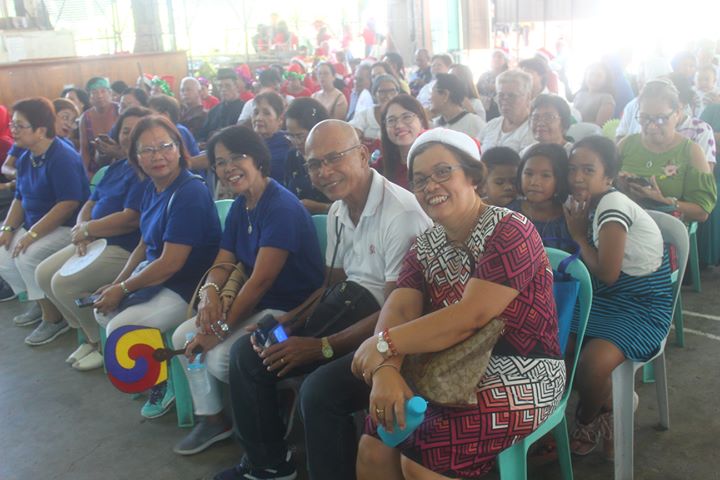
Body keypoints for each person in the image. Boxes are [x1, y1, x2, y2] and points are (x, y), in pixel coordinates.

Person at [214, 120, 432, 480]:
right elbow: (333, 283)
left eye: (334, 158)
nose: (324, 172)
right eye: (314, 163)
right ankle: (268, 464)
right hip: (337, 316)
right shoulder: (337, 210)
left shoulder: (402, 214)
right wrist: (291, 322)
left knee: (320, 390)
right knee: (251, 351)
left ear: (362, 155)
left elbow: (398, 315)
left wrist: (322, 348)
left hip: (387, 339)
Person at [352, 128, 565, 479]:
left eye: (442, 172)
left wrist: (382, 347)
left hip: (522, 372)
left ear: (472, 176)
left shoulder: (511, 229)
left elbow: (471, 316)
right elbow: (399, 309)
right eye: (420, 180)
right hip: (447, 364)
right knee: (374, 444)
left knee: (422, 457)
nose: (430, 186)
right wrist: (385, 369)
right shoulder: (425, 245)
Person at [171, 125, 324, 455]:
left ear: (257, 158)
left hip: (293, 314)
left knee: (223, 359)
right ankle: (213, 419)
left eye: (237, 157)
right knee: (184, 337)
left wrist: (220, 330)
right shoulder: (242, 205)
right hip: (259, 304)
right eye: (220, 162)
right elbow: (224, 260)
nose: (228, 168)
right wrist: (209, 294)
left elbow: (261, 281)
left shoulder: (279, 206)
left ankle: (277, 393)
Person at [93, 116, 221, 418]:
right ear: (136, 157)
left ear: (179, 148)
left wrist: (123, 289)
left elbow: (171, 263)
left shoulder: (189, 191)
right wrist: (117, 283)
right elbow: (143, 243)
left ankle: (164, 385)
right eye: (147, 150)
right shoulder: (152, 187)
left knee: (120, 328)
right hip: (160, 276)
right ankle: (164, 377)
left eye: (165, 146)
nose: (158, 156)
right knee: (103, 308)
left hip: (188, 285)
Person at [563, 135, 672, 456]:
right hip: (606, 298)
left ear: (607, 177)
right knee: (556, 345)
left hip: (641, 304)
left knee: (592, 363)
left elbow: (608, 274)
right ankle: (611, 408)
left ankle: (586, 416)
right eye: (571, 169)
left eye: (587, 169)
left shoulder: (612, 205)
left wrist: (579, 235)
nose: (577, 177)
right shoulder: (590, 203)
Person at [34, 107, 152, 369]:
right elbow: (90, 202)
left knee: (64, 284)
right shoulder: (117, 166)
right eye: (124, 130)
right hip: (95, 238)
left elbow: (130, 219)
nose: (129, 136)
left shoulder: (143, 171)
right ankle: (88, 334)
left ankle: (99, 343)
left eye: (136, 131)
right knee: (43, 273)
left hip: (122, 246)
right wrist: (81, 229)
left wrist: (89, 230)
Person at [0, 98, 89, 340]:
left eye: (20, 126)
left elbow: (67, 204)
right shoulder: (27, 157)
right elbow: (19, 198)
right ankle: (41, 306)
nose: (14, 131)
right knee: (3, 255)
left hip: (66, 227)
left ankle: (54, 318)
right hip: (37, 224)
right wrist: (8, 228)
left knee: (27, 256)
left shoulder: (62, 157)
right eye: (13, 125)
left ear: (40, 130)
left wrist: (32, 235)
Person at [617, 80, 716, 222]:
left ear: (677, 114)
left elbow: (702, 212)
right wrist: (619, 183)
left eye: (661, 119)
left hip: (669, 234)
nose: (651, 126)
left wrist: (665, 202)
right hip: (623, 224)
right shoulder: (627, 144)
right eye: (644, 118)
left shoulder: (692, 152)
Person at [508, 143, 572, 249]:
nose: (534, 182)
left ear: (559, 179)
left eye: (545, 175)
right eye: (528, 173)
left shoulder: (570, 221)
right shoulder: (508, 214)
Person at [284, 97, 332, 213]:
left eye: (300, 136)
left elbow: (353, 206)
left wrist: (322, 208)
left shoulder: (334, 158)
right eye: (290, 136)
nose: (296, 142)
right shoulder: (293, 156)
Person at [377, 94, 429, 189]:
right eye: (391, 120)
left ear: (421, 120)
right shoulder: (383, 164)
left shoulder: (437, 155)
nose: (399, 125)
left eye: (406, 117)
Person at [479, 70, 535, 152]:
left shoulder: (533, 131)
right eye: (501, 95)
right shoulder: (492, 125)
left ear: (528, 97)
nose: (505, 100)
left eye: (512, 96)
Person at [78, 77, 120, 176]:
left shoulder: (120, 110)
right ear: (90, 97)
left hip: (121, 164)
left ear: (110, 93)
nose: (99, 96)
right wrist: (87, 173)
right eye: (94, 92)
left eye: (103, 91)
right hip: (97, 169)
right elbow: (84, 149)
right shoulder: (85, 118)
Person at [430, 73, 486, 140]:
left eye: (432, 92)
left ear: (445, 95)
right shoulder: (435, 124)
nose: (429, 98)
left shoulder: (475, 123)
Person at [250, 92, 291, 183]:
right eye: (256, 112)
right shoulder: (247, 144)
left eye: (266, 113)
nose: (259, 118)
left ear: (280, 119)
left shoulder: (288, 144)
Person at [197, 69, 246, 142]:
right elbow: (202, 135)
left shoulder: (244, 109)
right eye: (220, 86)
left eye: (227, 86)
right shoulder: (214, 111)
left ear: (236, 87)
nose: (223, 89)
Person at [349, 74, 400, 142]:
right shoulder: (365, 115)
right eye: (382, 92)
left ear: (398, 93)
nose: (388, 95)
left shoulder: (404, 114)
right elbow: (351, 135)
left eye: (392, 91)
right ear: (375, 94)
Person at [476, 48, 510, 120]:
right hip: (484, 109)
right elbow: (476, 91)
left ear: (505, 60)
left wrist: (497, 88)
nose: (496, 59)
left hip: (501, 109)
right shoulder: (484, 75)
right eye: (494, 57)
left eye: (499, 57)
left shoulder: (509, 76)